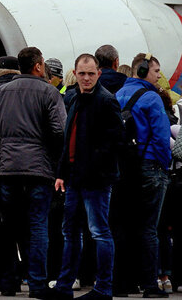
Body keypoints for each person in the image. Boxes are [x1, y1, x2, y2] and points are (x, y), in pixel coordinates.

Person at [0, 46, 67, 298]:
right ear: (37, 66)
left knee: (8, 227)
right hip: (38, 169)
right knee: (37, 226)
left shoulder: (1, 92)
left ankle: (8, 281)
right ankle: (37, 283)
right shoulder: (48, 92)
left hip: (8, 168)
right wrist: (55, 161)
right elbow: (59, 131)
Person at [51, 53, 122, 300]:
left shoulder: (106, 101)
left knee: (99, 231)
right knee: (70, 232)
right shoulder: (75, 99)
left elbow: (114, 142)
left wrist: (90, 168)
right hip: (74, 179)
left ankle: (103, 288)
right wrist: (62, 173)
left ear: (98, 74)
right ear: (76, 73)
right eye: (82, 73)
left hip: (96, 180)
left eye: (91, 73)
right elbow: (68, 139)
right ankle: (64, 286)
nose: (87, 78)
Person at [113, 53, 171, 297]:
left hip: (124, 169)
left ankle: (122, 283)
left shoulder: (116, 95)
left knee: (123, 226)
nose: (159, 76)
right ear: (144, 69)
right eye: (156, 71)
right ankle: (149, 284)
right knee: (148, 228)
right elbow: (161, 137)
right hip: (149, 168)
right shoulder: (152, 97)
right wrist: (164, 165)